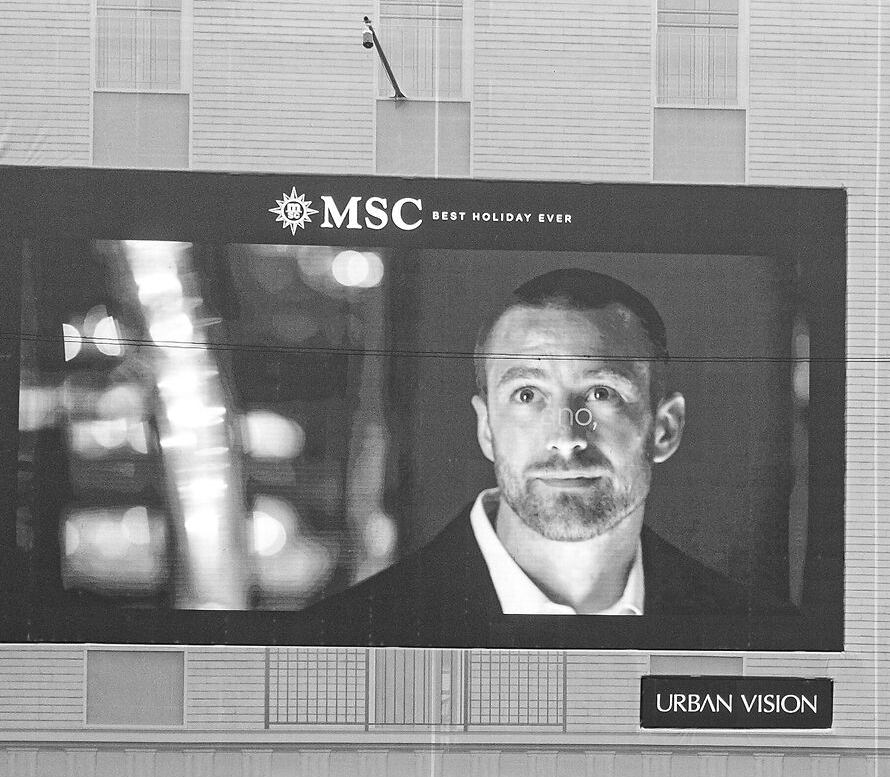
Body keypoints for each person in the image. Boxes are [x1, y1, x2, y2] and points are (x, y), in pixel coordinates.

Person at [312, 268, 753, 634]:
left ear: (664, 428)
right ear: (486, 428)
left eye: (601, 392)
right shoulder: (344, 638)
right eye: (527, 395)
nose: (565, 435)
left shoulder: (754, 633)